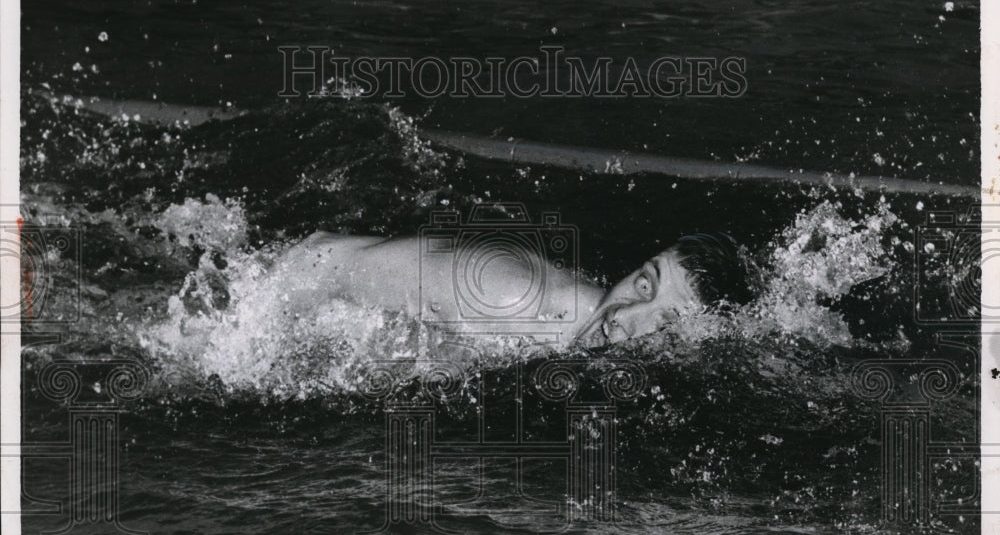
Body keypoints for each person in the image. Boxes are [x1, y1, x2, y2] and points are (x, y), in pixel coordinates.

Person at [269, 229, 753, 349]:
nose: (620, 318)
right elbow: (321, 258)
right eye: (644, 283)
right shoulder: (512, 299)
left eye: (664, 322)